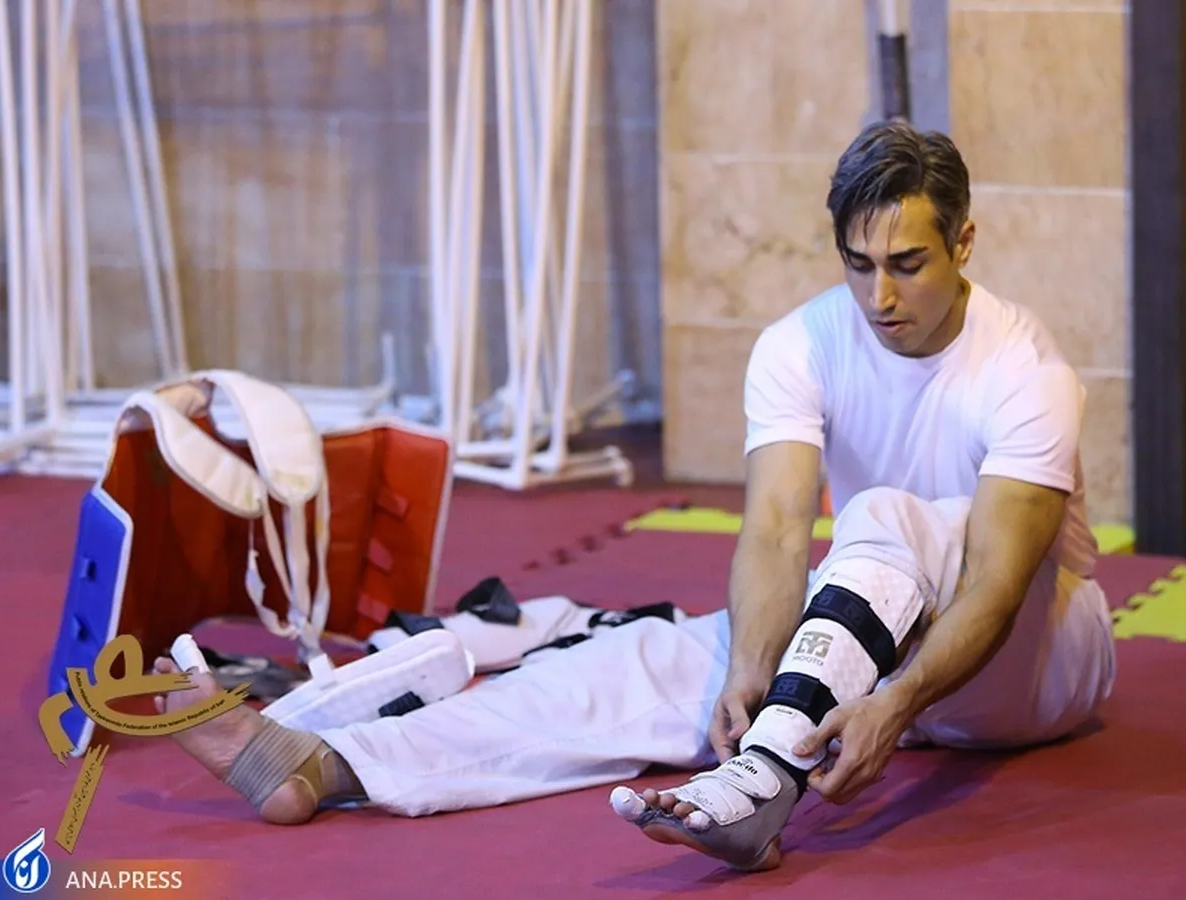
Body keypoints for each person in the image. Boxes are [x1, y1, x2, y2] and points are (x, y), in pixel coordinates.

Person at [152, 120, 1117, 872]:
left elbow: (996, 584)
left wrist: (898, 703)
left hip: (1031, 665)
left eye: (908, 265)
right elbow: (778, 531)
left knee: (887, 515)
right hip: (869, 628)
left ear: (964, 243)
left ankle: (760, 782)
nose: (880, 298)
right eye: (858, 265)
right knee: (637, 665)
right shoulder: (801, 343)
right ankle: (327, 764)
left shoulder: (1024, 368)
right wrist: (751, 669)